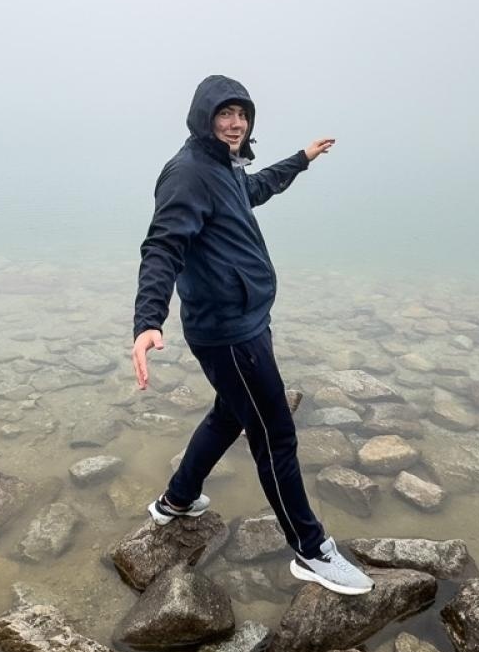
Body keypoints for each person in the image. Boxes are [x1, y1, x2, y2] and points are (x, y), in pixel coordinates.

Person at [131, 74, 374, 596]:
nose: (235, 122)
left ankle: (176, 500)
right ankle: (310, 551)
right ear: (204, 117)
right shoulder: (189, 173)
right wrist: (149, 321)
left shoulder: (225, 167)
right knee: (275, 435)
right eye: (224, 114)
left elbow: (255, 188)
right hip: (228, 331)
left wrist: (302, 158)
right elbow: (163, 246)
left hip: (244, 321)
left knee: (229, 413)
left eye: (241, 113)